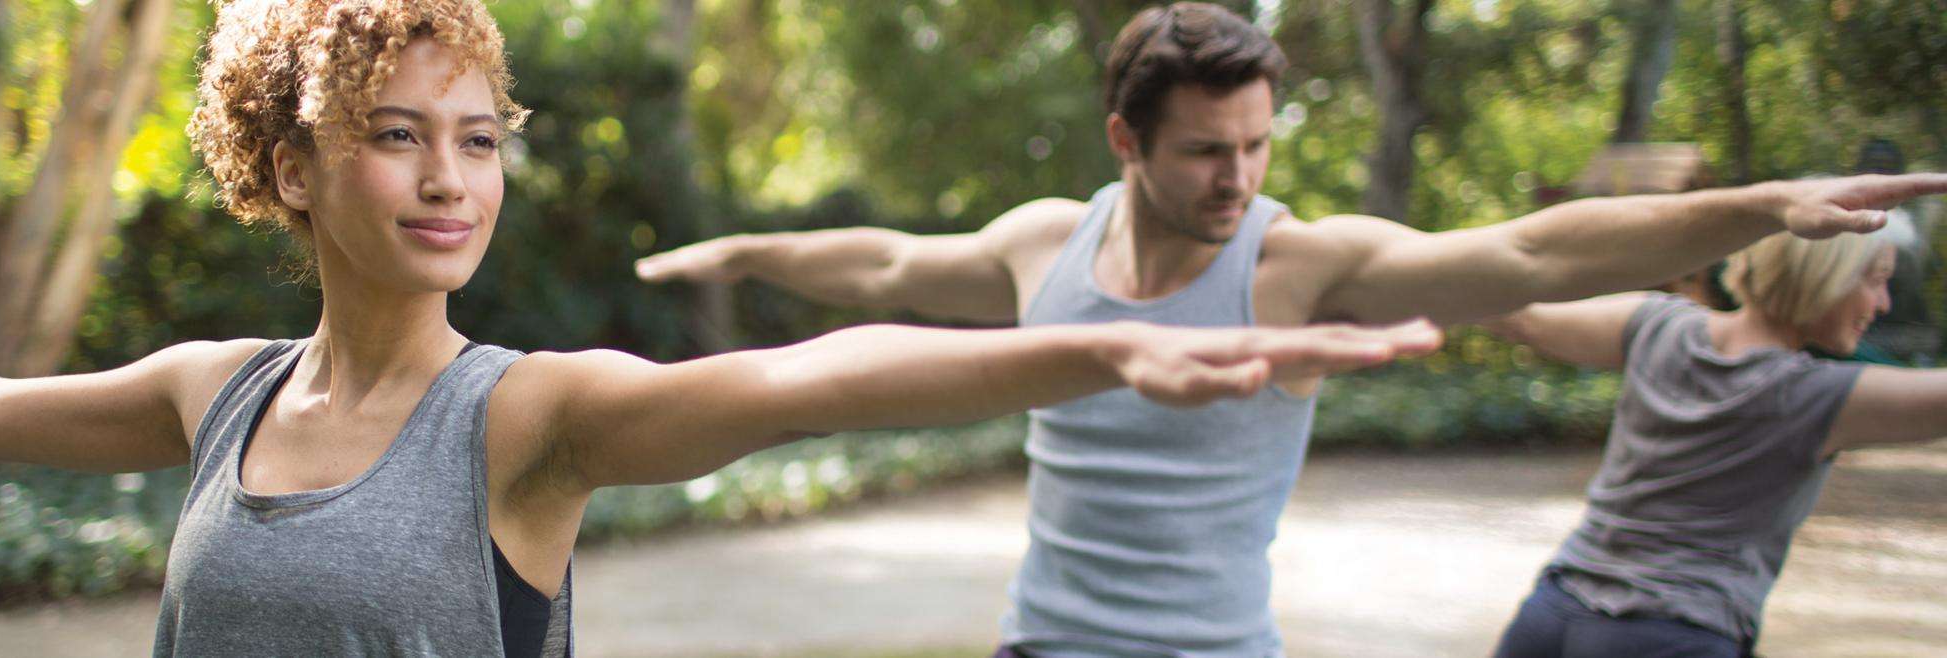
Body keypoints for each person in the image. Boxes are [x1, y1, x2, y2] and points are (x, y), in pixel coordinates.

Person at [0, 1, 1445, 657]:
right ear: (286, 165)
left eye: (477, 138)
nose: (446, 176)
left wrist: (1095, 349)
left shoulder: (527, 417)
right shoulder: (214, 393)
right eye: (392, 135)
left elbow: (804, 379)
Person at [632, 4, 1947, 656]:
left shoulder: (1305, 264)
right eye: (1208, 151)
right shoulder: (1047, 242)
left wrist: (1759, 206)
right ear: (1124, 141)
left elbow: (1531, 250)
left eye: (1257, 145)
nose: (1241, 178)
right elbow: (886, 262)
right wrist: (747, 247)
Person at [1484, 230, 1945, 657]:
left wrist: (1418, 275)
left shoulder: (1657, 325)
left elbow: (1520, 317)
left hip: (1551, 617)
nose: (1882, 302)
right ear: (1825, 277)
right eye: (1875, 280)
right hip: (1673, 637)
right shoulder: (1813, 395)